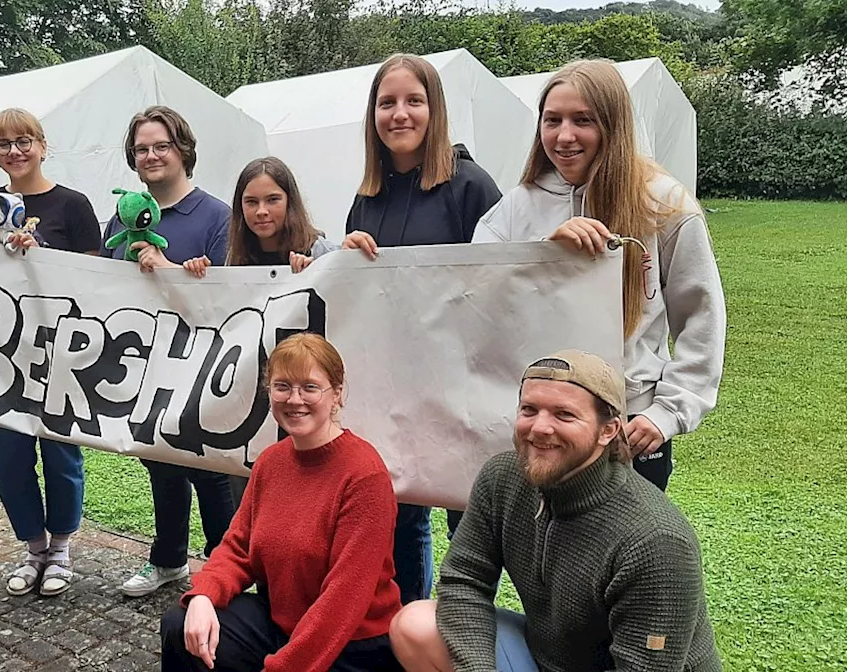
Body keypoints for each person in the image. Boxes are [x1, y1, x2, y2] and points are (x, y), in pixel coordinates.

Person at [471, 59, 726, 493]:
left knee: (618, 560)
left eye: (582, 120)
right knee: (539, 559)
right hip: (543, 434)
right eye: (552, 120)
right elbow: (475, 296)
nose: (564, 136)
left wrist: (665, 413)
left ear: (613, 124)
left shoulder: (663, 204)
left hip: (627, 434)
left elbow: (702, 316)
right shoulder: (518, 207)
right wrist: (544, 255)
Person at [388, 349, 722, 672]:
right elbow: (465, 580)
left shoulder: (656, 542)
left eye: (564, 414)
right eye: (529, 410)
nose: (540, 428)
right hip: (547, 658)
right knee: (415, 625)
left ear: (609, 430)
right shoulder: (502, 479)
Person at [340, 53, 503, 603]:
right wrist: (346, 257)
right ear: (373, 115)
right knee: (398, 511)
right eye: (388, 103)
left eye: (414, 101)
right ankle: (403, 624)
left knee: (469, 521)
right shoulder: (366, 197)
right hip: (392, 388)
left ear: (435, 110)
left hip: (462, 385)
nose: (400, 114)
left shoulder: (472, 187)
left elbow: (502, 285)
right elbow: (353, 293)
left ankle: (460, 631)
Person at [160, 333, 404, 672]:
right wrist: (204, 595)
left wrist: (283, 667)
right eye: (282, 386)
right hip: (282, 624)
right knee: (182, 624)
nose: (295, 399)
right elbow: (239, 548)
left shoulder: (364, 475)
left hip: (351, 645)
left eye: (310, 387)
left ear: (336, 395)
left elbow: (343, 601)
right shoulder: (271, 461)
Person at [0, 108, 101, 596]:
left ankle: (60, 548)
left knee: (61, 452)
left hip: (58, 351)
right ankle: (33, 548)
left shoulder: (73, 204)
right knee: (6, 454)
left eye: (23, 141)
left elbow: (95, 277)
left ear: (43, 145)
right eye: (3, 144)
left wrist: (41, 252)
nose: (14, 152)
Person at [101, 106, 238, 598]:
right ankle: (169, 560)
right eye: (142, 148)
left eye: (161, 145)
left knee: (210, 474)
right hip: (142, 368)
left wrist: (170, 266)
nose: (152, 155)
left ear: (183, 150)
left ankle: (229, 573)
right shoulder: (120, 217)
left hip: (202, 369)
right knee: (160, 465)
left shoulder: (217, 215)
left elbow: (230, 299)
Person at [179, 156, 339, 505]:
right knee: (252, 511)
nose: (261, 211)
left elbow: (350, 298)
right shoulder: (234, 262)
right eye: (251, 202)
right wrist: (198, 279)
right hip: (248, 414)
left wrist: (321, 272)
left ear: (290, 201)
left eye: (272, 200)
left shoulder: (321, 252)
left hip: (305, 406)